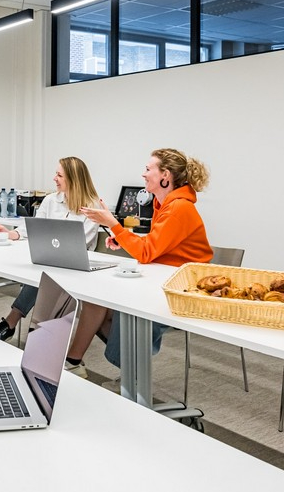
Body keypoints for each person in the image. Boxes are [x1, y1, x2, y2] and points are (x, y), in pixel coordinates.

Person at [73, 148, 213, 373]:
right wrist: (121, 237)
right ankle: (115, 367)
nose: (144, 174)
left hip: (182, 290)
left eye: (148, 169)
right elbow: (157, 245)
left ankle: (129, 372)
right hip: (165, 279)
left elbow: (147, 252)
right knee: (97, 301)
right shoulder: (166, 204)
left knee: (112, 304)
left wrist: (114, 226)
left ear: (165, 175)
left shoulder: (179, 207)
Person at [0, 157, 101, 353]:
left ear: (73, 178)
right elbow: (35, 229)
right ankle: (24, 331)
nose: (54, 178)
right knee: (42, 271)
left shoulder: (93, 206)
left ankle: (11, 324)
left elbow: (83, 243)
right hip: (51, 262)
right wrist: (10, 233)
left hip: (76, 268)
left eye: (59, 175)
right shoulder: (50, 200)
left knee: (43, 274)